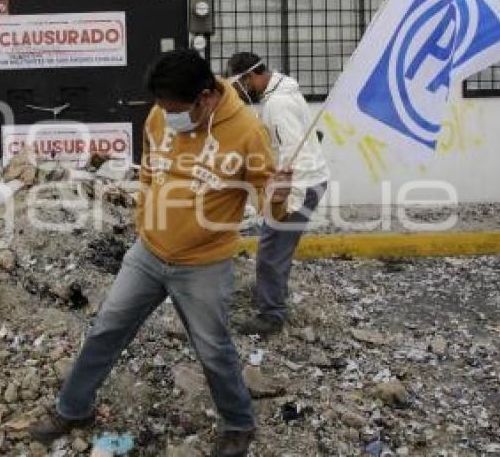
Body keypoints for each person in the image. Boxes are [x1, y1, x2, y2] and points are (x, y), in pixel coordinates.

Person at [30, 49, 291, 457]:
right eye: (163, 106)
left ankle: (238, 424)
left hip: (203, 264)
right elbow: (150, 166)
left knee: (214, 349)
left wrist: (278, 197)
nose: (168, 115)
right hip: (148, 254)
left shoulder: (246, 133)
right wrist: (144, 215)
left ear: (205, 97)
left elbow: (270, 204)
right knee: (106, 329)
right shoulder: (159, 115)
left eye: (176, 108)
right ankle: (73, 408)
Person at [226, 53, 329, 337]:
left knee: (270, 253)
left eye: (239, 84)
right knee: (277, 249)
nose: (238, 91)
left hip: (300, 185)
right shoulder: (284, 92)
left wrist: (287, 196)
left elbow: (293, 149)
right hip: (310, 181)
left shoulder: (278, 103)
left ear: (250, 77)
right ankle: (274, 303)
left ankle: (271, 317)